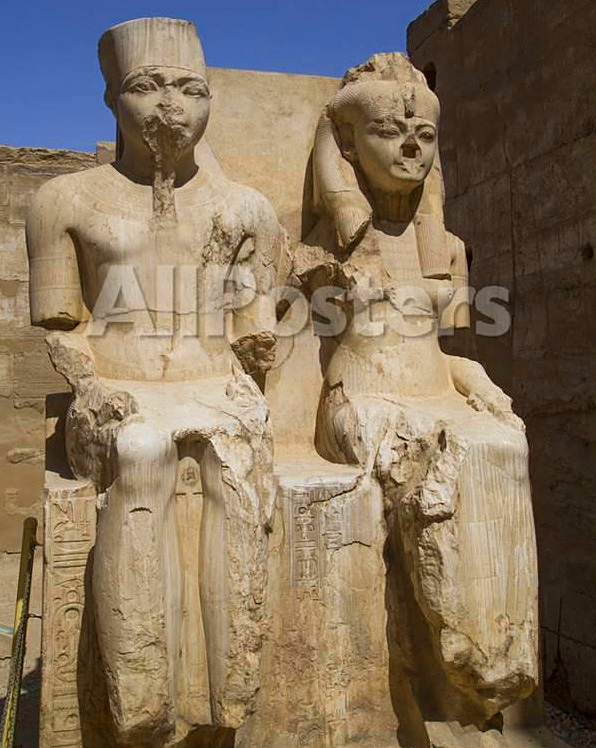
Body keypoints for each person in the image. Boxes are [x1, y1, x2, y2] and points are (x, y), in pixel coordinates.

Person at [27, 17, 285, 748]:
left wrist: (242, 388)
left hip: (213, 386)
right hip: (117, 391)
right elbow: (61, 327)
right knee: (142, 450)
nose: (171, 105)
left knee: (231, 468)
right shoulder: (63, 202)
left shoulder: (246, 209)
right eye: (147, 86)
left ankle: (223, 698)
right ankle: (142, 704)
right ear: (112, 97)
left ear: (211, 101)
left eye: (190, 88)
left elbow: (254, 337)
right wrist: (94, 385)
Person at [288, 52, 539, 733]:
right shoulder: (324, 247)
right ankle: (454, 652)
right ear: (344, 145)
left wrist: (474, 378)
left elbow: (448, 352)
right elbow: (306, 355)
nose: (409, 146)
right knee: (438, 455)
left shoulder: (446, 247)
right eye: (389, 132)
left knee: (502, 445)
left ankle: (492, 656)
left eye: (424, 136)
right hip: (360, 399)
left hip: (434, 395)